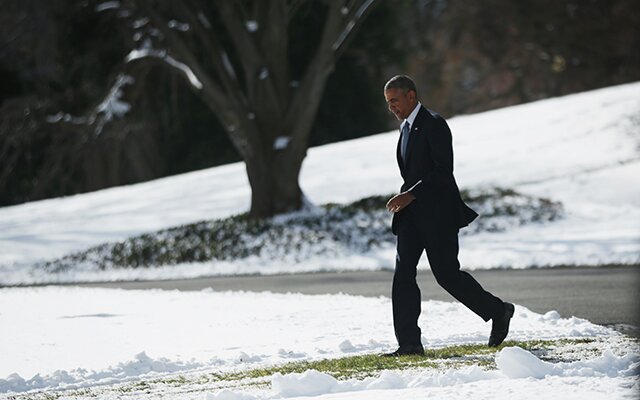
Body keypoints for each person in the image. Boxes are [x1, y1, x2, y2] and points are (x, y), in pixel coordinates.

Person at [382, 75, 514, 357]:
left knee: (446, 275)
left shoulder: (434, 124)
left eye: (394, 100)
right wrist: (406, 199)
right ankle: (410, 344)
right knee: (402, 275)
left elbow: (443, 171)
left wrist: (410, 194)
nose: (391, 107)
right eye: (388, 102)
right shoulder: (405, 129)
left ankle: (498, 310)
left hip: (438, 214)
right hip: (411, 218)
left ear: (411, 96)